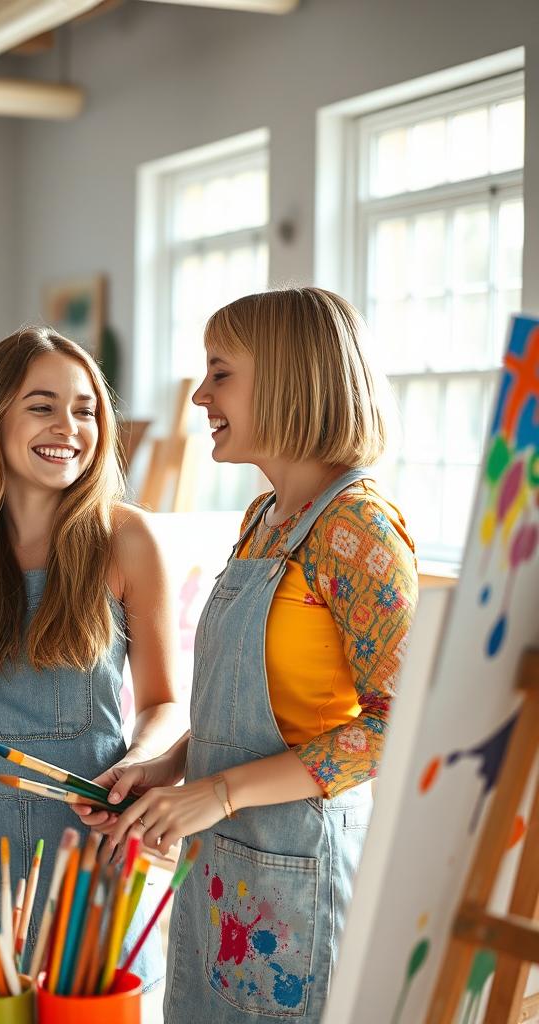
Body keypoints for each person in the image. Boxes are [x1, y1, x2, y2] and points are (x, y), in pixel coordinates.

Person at [78, 287, 418, 1023]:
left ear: (290, 378)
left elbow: (400, 724)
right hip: (221, 865)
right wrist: (166, 770)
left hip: (299, 871)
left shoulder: (359, 531)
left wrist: (221, 792)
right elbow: (254, 709)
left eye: (220, 371)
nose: (200, 394)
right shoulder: (263, 520)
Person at [0, 326, 180, 1022]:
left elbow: (164, 705)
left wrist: (140, 769)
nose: (71, 426)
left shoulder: (128, 538)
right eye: (43, 406)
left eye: (87, 408)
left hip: (91, 843)